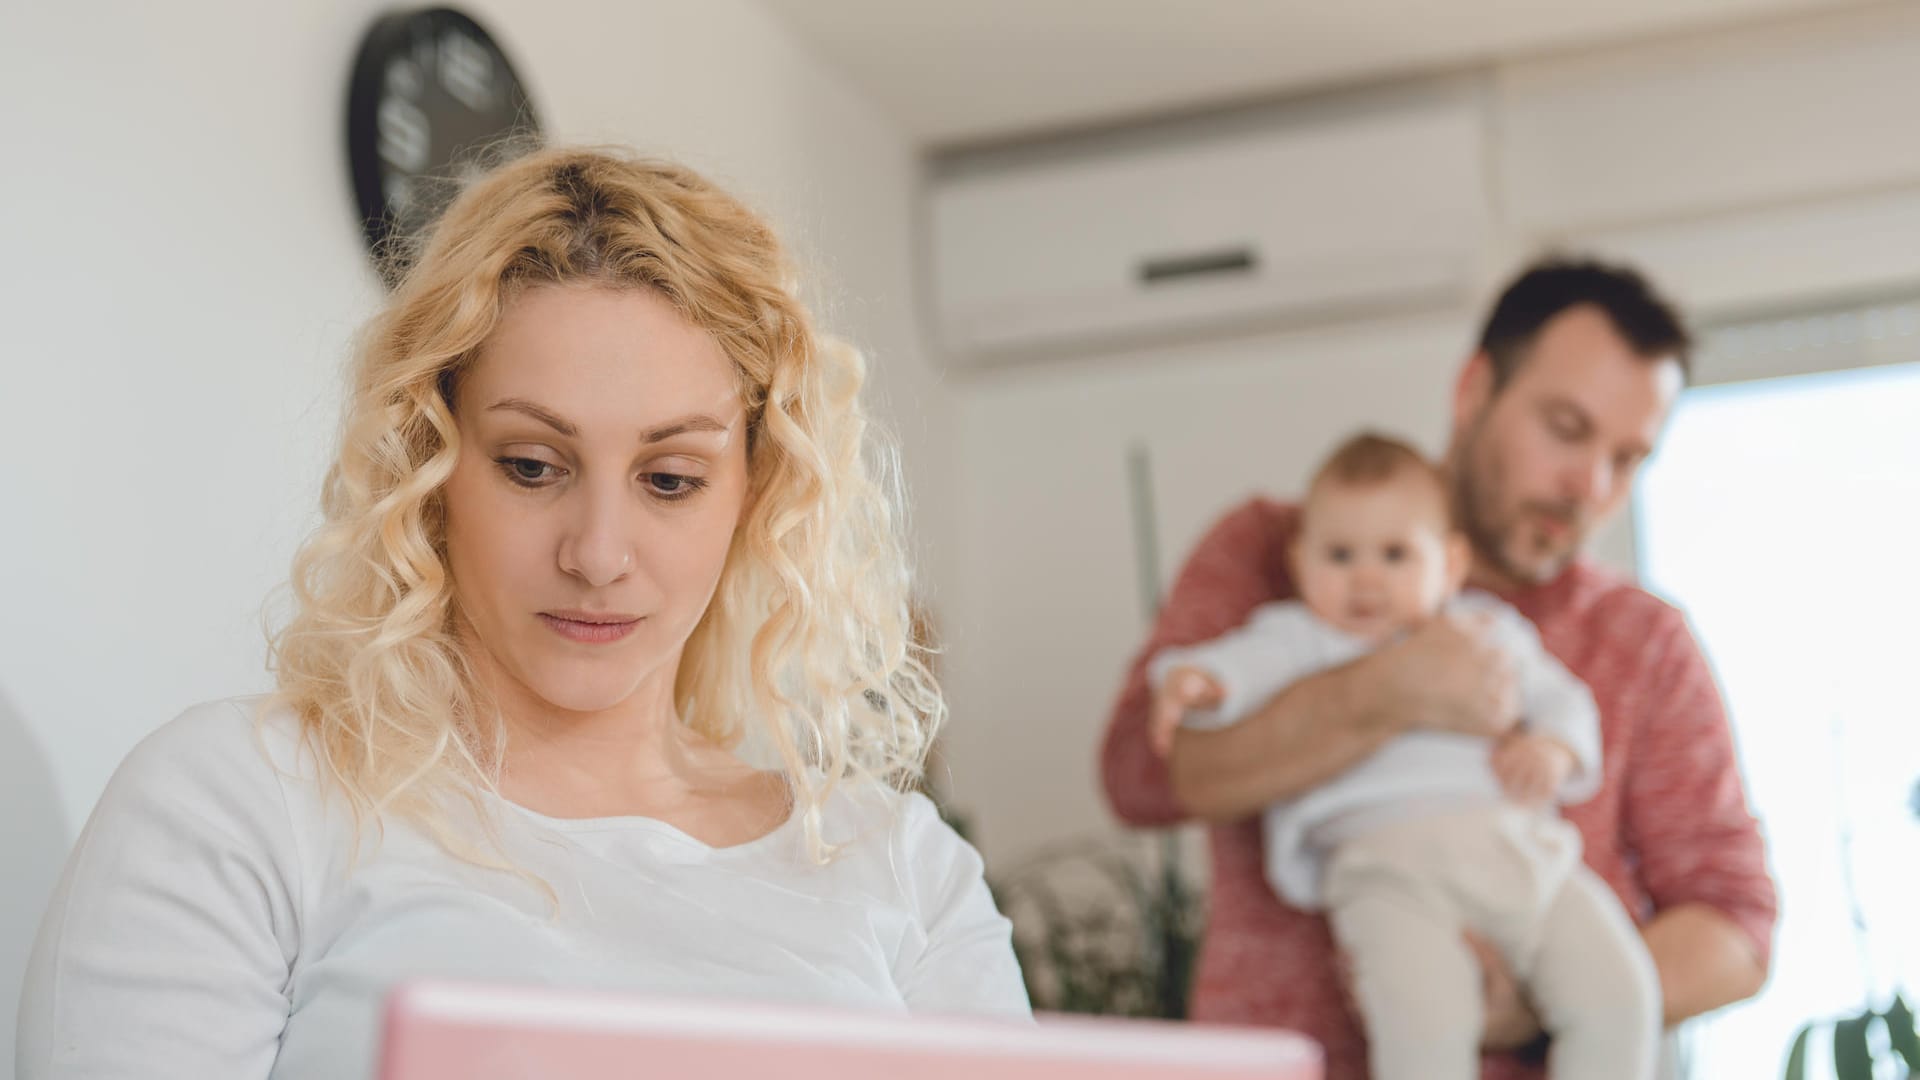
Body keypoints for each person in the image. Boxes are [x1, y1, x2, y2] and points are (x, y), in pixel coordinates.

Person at [18, 148, 1029, 1080]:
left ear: (754, 495)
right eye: (533, 466)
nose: (596, 554)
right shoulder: (244, 803)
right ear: (431, 464)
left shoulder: (901, 870)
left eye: (670, 479)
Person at [1099, 258, 1775, 1080]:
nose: (1589, 485)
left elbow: (1737, 923)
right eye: (1565, 428)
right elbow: (1140, 769)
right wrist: (1387, 692)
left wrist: (1527, 1005)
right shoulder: (1281, 551)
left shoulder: (1644, 640)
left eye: (1628, 458)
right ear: (1473, 390)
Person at [1147, 433, 1656, 1080]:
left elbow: (1567, 701)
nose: (1366, 578)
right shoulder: (1299, 639)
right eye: (1339, 555)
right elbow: (1229, 672)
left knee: (1621, 996)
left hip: (1523, 854)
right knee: (1425, 1033)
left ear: (1448, 565)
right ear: (1300, 565)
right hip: (1386, 876)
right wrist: (1192, 680)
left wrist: (1553, 748)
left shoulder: (1485, 629)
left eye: (1394, 555)